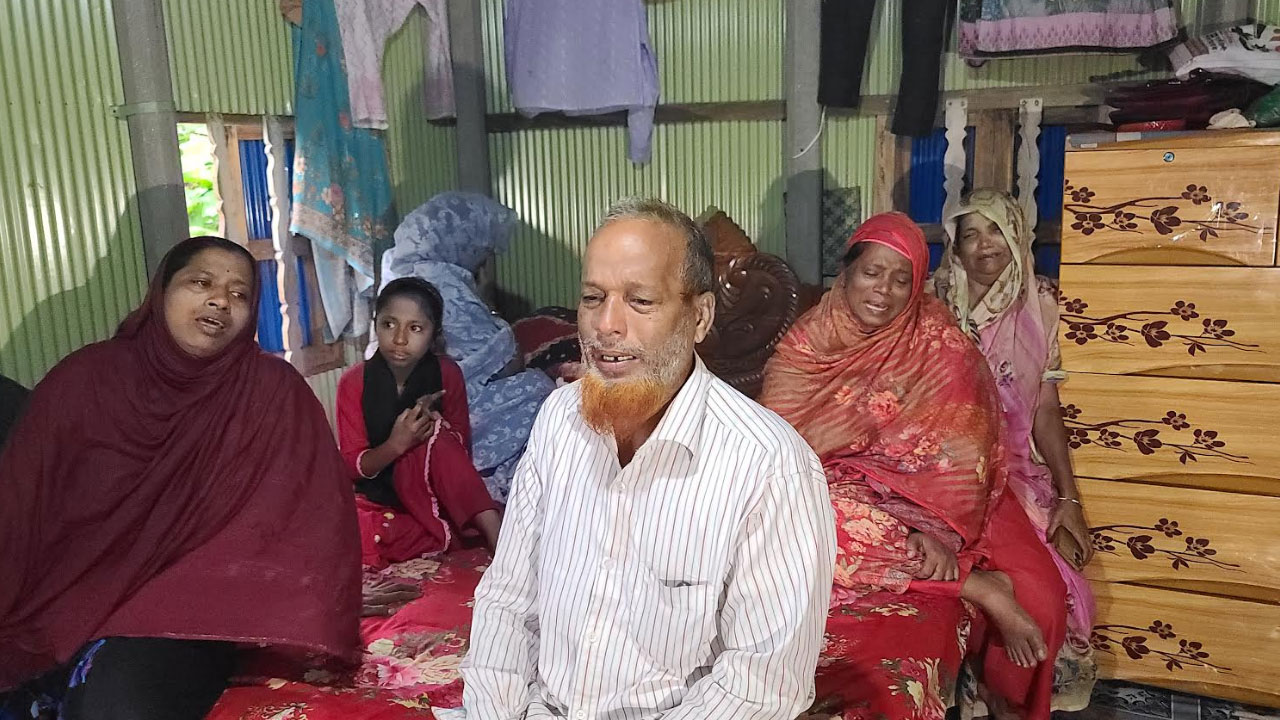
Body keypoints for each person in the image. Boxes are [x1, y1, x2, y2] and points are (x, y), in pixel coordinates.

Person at [461, 198, 836, 720]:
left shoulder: (770, 466)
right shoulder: (559, 421)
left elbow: (760, 688)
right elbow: (508, 600)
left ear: (700, 317)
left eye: (640, 301)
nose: (606, 325)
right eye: (593, 297)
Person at [0, 237, 361, 720]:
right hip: (69, 593)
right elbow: (20, 504)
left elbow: (311, 518)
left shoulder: (272, 391)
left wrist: (315, 592)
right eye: (201, 282)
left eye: (239, 294)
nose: (220, 301)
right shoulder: (86, 378)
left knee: (119, 708)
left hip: (189, 604)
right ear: (162, 292)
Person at [759, 213, 1066, 720]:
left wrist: (928, 526)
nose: (884, 290)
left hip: (929, 500)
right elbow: (779, 452)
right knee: (795, 523)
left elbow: (961, 451)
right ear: (847, 272)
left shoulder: (937, 341)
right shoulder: (807, 343)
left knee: (1044, 598)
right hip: (832, 494)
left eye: (902, 280)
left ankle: (996, 674)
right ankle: (973, 586)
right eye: (871, 273)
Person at [935, 189, 1096, 710]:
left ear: (1017, 236)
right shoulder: (933, 305)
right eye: (970, 235)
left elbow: (1044, 408)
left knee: (1047, 592)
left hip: (1015, 473)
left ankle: (1007, 700)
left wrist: (1068, 499)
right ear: (955, 247)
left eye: (996, 231)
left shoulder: (1040, 302)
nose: (985, 245)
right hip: (943, 473)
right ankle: (986, 691)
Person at [378, 192, 556, 503]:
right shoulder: (442, 281)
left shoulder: (397, 274)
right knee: (540, 388)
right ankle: (492, 476)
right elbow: (503, 361)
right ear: (462, 241)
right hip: (437, 409)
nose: (483, 261)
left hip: (391, 405)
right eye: (481, 251)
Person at [336, 277, 502, 569]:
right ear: (375, 324)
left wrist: (432, 429)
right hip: (380, 497)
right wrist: (396, 444)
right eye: (389, 324)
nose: (399, 339)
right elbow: (351, 467)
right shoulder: (353, 382)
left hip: (432, 489)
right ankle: (442, 534)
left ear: (434, 335)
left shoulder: (447, 374)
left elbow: (461, 454)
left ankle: (495, 533)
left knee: (436, 433)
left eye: (415, 328)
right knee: (351, 531)